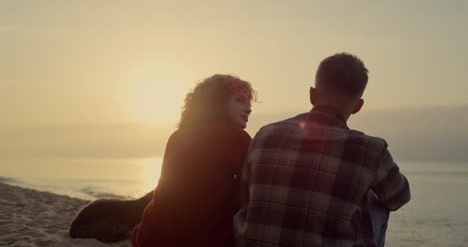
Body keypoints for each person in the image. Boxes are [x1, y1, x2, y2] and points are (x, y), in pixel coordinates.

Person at [233, 53, 411, 247]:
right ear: (358, 107)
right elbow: (399, 198)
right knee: (374, 196)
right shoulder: (372, 150)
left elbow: (244, 195)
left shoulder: (265, 134)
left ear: (312, 94)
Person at [131, 74, 255, 247]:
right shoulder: (238, 138)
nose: (248, 109)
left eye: (249, 103)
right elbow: (255, 190)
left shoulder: (177, 136)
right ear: (217, 102)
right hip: (203, 238)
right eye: (240, 101)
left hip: (153, 235)